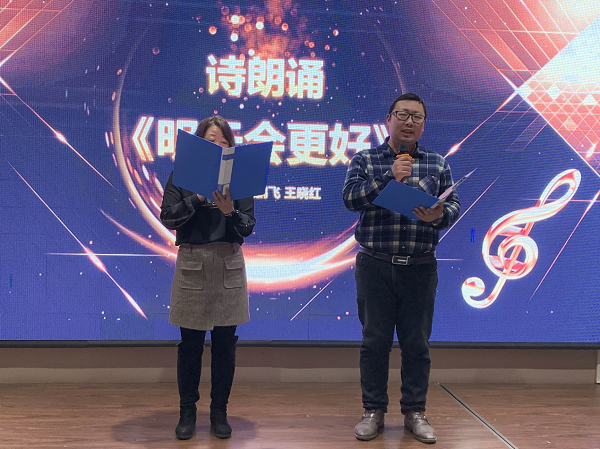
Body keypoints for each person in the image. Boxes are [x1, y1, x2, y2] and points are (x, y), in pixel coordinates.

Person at [342, 93, 460, 444]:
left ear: (424, 124)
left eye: (417, 117)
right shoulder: (365, 159)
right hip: (375, 265)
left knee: (416, 344)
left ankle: (415, 412)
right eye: (403, 115)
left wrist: (440, 214)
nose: (409, 122)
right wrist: (388, 179)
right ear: (388, 119)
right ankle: (373, 411)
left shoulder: (437, 163)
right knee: (374, 342)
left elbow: (453, 205)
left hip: (420, 267)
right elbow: (350, 199)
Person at [160, 115, 256, 441]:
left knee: (225, 346)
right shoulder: (182, 175)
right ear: (198, 145)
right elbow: (168, 216)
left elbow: (247, 226)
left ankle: (219, 412)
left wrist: (230, 211)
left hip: (228, 262)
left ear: (231, 148)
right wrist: (199, 197)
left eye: (223, 142)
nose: (217, 146)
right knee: (190, 346)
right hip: (193, 263)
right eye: (209, 141)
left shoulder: (240, 178)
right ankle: (187, 412)